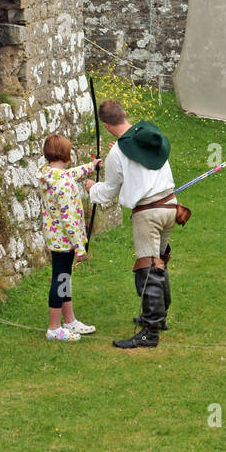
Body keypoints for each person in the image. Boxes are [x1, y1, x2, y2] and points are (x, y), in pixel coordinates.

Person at [85, 99, 177, 350]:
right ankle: (159, 317)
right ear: (124, 115)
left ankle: (150, 332)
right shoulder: (147, 134)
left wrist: (92, 188)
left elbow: (109, 192)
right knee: (159, 261)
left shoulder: (117, 153)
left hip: (148, 213)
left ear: (105, 125)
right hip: (170, 206)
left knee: (147, 270)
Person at [37, 134, 101, 341]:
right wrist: (80, 247)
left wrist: (90, 166)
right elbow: (70, 219)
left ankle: (70, 320)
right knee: (60, 278)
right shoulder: (63, 183)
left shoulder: (50, 174)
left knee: (64, 276)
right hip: (65, 240)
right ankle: (54, 328)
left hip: (57, 239)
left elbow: (70, 173)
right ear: (66, 154)